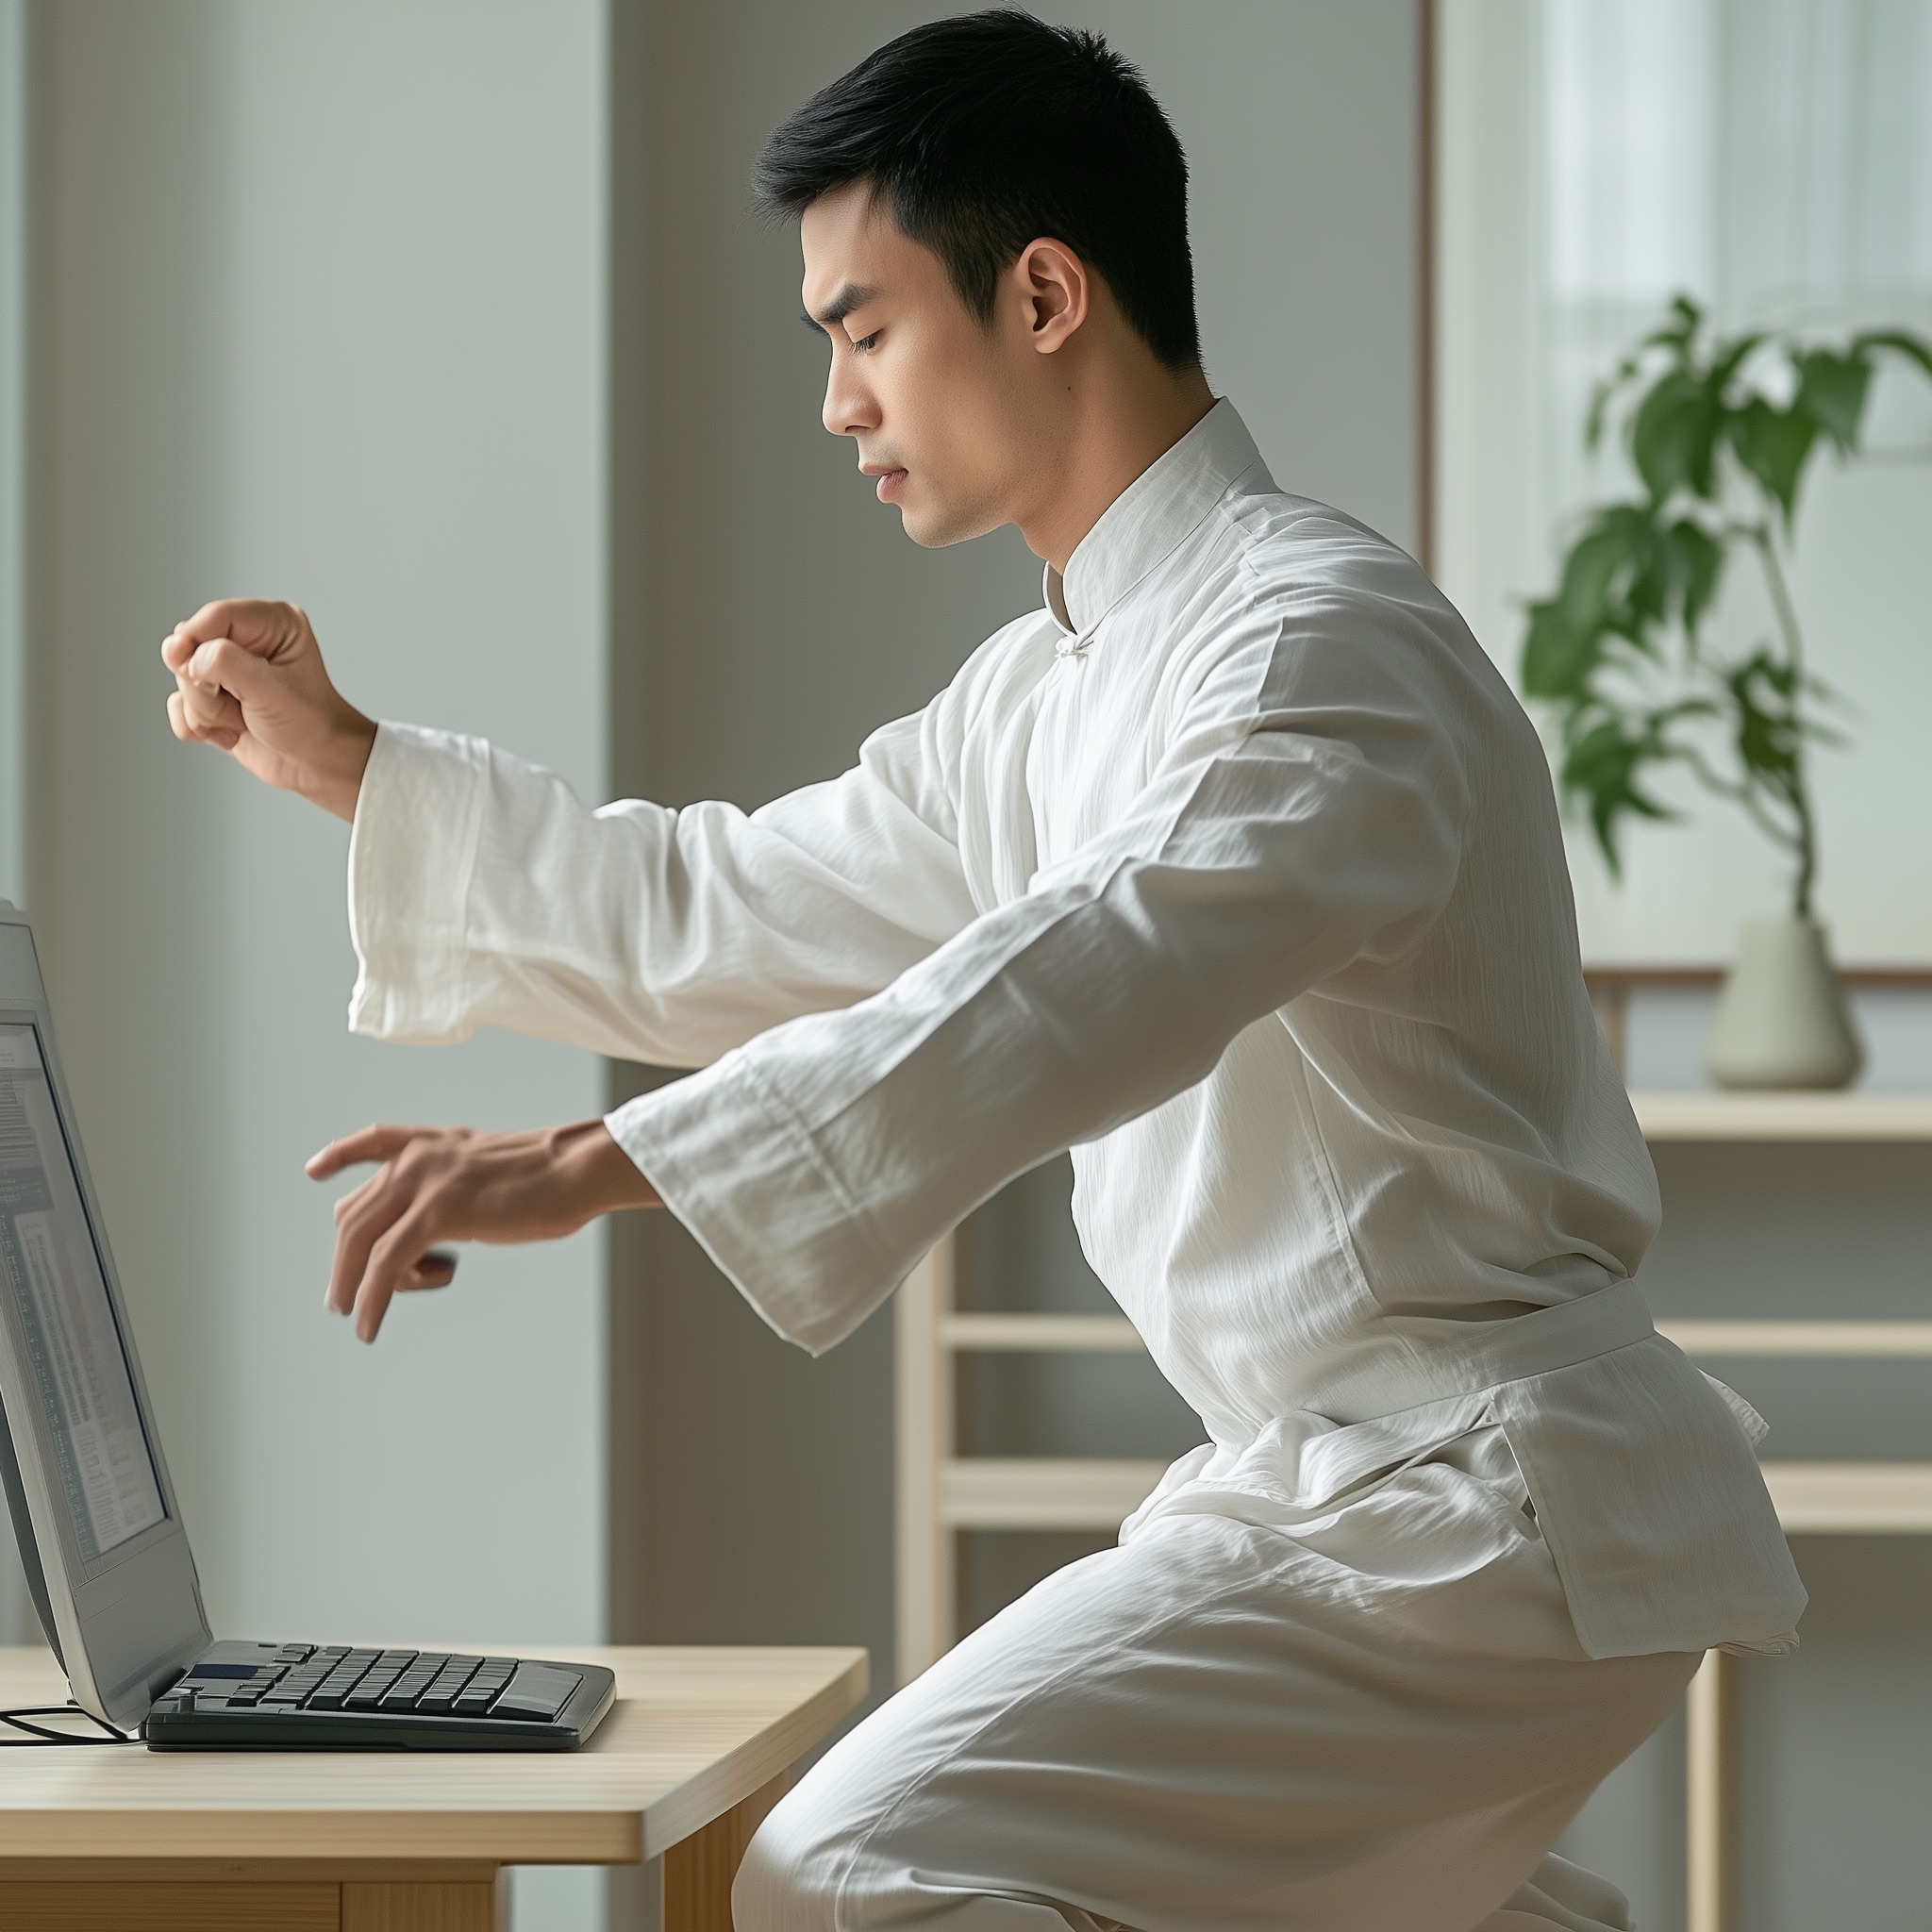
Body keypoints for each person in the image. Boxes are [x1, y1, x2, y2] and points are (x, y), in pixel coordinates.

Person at [162, 13, 1803, 1931]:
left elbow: (1087, 975)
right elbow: (725, 907)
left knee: (844, 1871)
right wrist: (348, 760)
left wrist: (601, 1166)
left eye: (861, 328)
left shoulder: (1312, 648)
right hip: (1347, 1486)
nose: (837, 401)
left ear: (1039, 293)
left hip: (1474, 1503)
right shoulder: (1049, 689)